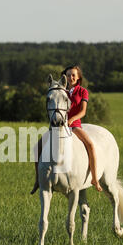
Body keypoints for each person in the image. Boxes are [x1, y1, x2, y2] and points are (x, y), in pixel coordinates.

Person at [30, 65, 103, 194]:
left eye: (73, 75)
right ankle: (38, 180)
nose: (71, 77)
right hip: (57, 126)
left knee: (90, 145)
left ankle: (95, 178)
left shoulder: (82, 91)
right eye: (68, 75)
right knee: (37, 148)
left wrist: (71, 120)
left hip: (74, 126)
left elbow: (83, 112)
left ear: (78, 77)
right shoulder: (60, 90)